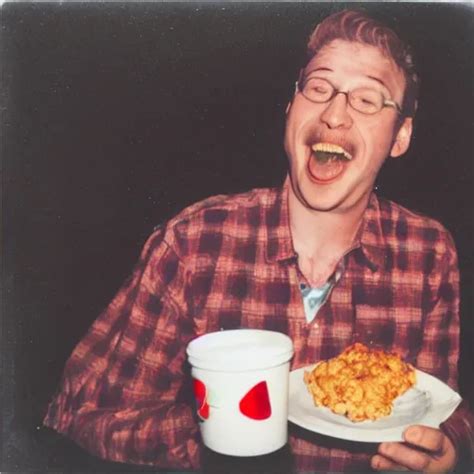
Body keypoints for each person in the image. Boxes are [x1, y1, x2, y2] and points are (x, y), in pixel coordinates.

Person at [43, 9, 473, 472]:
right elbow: (84, 412)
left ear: (400, 136)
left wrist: (446, 449)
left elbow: (438, 409)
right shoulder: (193, 243)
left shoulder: (429, 254)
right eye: (318, 88)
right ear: (290, 110)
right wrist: (216, 435)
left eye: (368, 99)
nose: (334, 112)